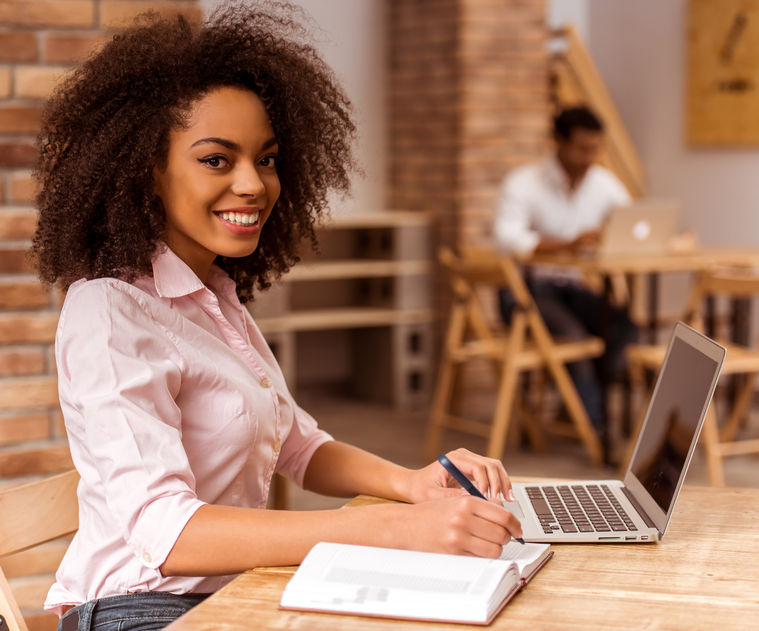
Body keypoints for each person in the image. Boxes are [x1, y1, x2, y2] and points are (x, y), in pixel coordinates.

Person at [33, 4, 522, 630]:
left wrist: (414, 485)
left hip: (237, 595)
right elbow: (168, 535)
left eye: (265, 159)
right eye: (217, 159)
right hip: (140, 611)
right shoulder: (108, 311)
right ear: (145, 169)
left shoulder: (216, 297)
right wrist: (382, 528)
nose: (254, 184)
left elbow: (298, 445)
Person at [493, 105, 638, 436]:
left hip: (572, 289)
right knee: (574, 338)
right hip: (525, 293)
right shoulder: (523, 183)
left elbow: (631, 220)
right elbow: (507, 239)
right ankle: (596, 430)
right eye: (582, 148)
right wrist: (568, 244)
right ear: (558, 141)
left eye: (595, 148)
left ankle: (578, 413)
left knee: (622, 328)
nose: (590, 156)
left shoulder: (603, 183)